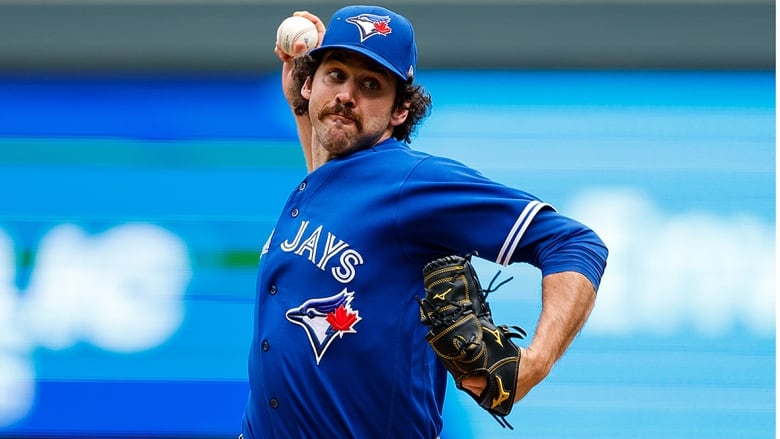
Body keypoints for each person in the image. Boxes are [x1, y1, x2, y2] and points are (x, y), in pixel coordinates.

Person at [241, 5, 608, 438]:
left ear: (399, 111)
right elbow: (340, 195)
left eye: (370, 84)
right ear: (308, 83)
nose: (346, 94)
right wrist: (303, 113)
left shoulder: (413, 183)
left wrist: (538, 359)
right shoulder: (323, 183)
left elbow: (575, 244)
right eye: (335, 74)